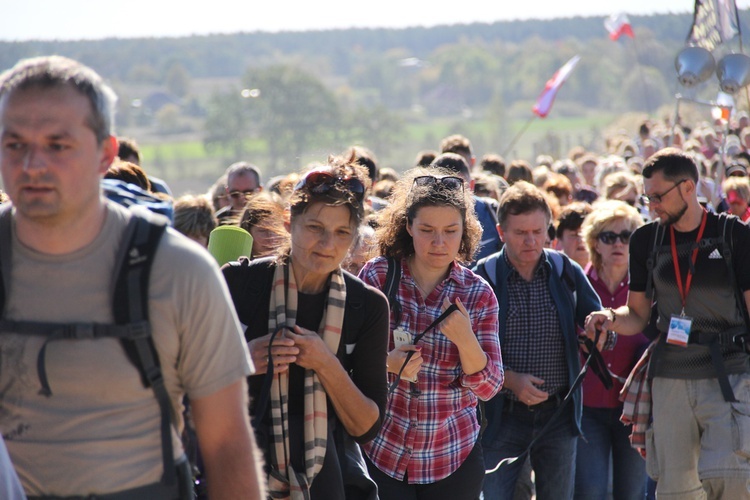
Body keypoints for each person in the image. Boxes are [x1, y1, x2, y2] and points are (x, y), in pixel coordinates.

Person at [0, 55, 264, 499]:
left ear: (106, 153)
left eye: (57, 145)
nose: (32, 165)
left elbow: (227, 447)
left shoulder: (179, 273)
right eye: (14, 144)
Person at [585, 148, 750, 499]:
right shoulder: (647, 239)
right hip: (670, 377)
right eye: (648, 197)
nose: (652, 205)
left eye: (658, 196)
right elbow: (639, 314)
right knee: (676, 490)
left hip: (729, 375)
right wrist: (610, 318)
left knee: (730, 482)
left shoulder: (735, 235)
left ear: (688, 188)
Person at [222, 155, 389, 499]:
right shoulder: (239, 284)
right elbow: (184, 382)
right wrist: (244, 359)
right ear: (288, 221)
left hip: (327, 480)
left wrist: (325, 362)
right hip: (240, 470)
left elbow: (367, 425)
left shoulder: (367, 306)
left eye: (342, 232)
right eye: (315, 228)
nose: (328, 245)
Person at [359, 166, 504, 500]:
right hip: (381, 451)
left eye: (451, 231)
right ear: (408, 226)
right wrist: (387, 364)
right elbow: (343, 357)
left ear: (464, 232)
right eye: (427, 229)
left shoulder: (478, 293)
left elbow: (490, 387)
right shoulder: (378, 276)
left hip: (452, 456)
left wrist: (466, 340)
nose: (439, 242)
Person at [474, 181, 602, 500]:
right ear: (501, 232)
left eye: (538, 231)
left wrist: (598, 334)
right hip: (500, 417)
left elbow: (598, 323)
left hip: (557, 414)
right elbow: (468, 351)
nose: (531, 240)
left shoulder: (565, 270)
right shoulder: (484, 277)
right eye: (520, 233)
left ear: (548, 229)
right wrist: (509, 380)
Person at [574, 200, 649, 500]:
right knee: (590, 492)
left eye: (627, 236)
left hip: (634, 411)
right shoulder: (576, 283)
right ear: (595, 242)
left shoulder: (647, 288)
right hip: (587, 409)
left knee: (631, 494)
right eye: (609, 236)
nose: (618, 243)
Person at [440, 134, 503, 261]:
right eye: (446, 187)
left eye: (458, 186)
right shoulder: (420, 219)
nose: (453, 194)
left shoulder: (491, 212)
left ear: (471, 185)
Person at [555, 202, 593, 269]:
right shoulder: (553, 270)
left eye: (585, 234)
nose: (581, 240)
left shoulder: (606, 273)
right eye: (574, 235)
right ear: (560, 239)